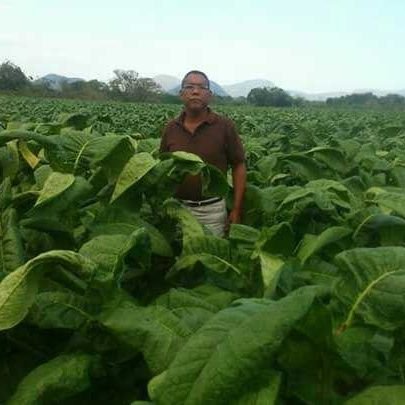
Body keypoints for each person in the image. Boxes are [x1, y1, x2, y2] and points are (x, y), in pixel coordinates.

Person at [159, 70, 246, 237]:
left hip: (212, 211)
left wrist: (236, 209)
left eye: (201, 87)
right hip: (178, 209)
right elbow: (162, 167)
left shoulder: (224, 126)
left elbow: (239, 165)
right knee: (180, 258)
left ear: (210, 94)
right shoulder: (171, 128)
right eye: (189, 87)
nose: (195, 91)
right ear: (181, 94)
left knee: (209, 256)